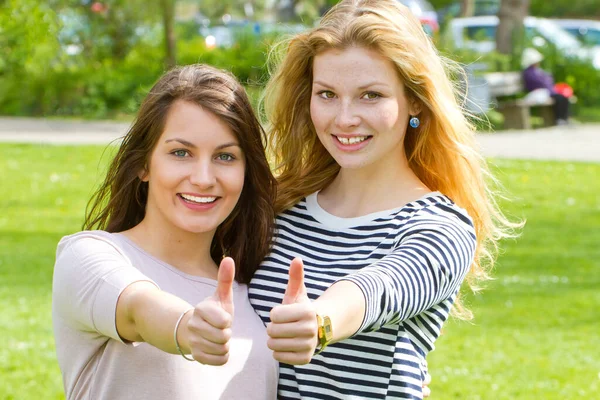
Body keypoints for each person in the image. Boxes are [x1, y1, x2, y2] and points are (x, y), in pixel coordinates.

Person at [192, 1, 515, 399]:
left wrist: (320, 321)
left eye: (370, 95)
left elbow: (381, 288)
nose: (344, 118)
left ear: (414, 101)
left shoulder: (442, 227)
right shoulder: (280, 208)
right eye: (327, 94)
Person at [51, 64, 279, 399]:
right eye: (181, 153)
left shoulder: (251, 291)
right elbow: (138, 310)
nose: (203, 177)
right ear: (144, 163)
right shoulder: (88, 258)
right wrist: (186, 327)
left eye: (225, 156)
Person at [522, 47, 571, 125]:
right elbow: (540, 82)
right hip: (539, 93)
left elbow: (548, 80)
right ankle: (559, 119)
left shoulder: (537, 70)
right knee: (559, 98)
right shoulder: (528, 72)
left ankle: (564, 119)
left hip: (546, 92)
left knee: (563, 98)